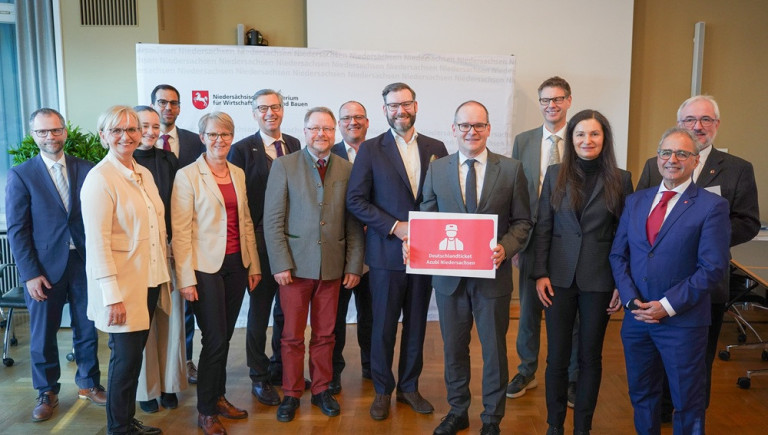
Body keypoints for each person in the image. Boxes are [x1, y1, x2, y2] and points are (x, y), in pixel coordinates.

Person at [635, 95, 760, 419]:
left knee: (696, 362)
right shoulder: (654, 164)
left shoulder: (737, 170)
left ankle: (689, 415)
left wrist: (703, 238)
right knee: (655, 356)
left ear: (716, 125)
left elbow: (748, 222)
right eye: (690, 120)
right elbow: (642, 216)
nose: (697, 126)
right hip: (657, 282)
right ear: (679, 124)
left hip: (706, 283)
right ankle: (663, 412)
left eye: (705, 120)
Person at [415, 100, 532, 435]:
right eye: (464, 125)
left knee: (494, 350)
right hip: (450, 280)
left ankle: (492, 417)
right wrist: (416, 242)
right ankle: (458, 410)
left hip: (492, 278)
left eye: (478, 125)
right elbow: (428, 216)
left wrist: (505, 248)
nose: (471, 131)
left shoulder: (511, 170)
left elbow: (524, 221)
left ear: (488, 129)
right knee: (453, 348)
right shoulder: (438, 169)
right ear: (454, 129)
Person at [609, 127, 731, 434]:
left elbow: (712, 268)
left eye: (682, 154)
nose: (672, 159)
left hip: (682, 323)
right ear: (657, 157)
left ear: (694, 162)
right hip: (637, 321)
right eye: (665, 152)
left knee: (687, 401)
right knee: (642, 395)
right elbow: (618, 256)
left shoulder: (711, 206)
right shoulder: (636, 201)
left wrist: (666, 305)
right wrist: (628, 298)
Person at [347, 82, 448, 420]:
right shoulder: (371, 149)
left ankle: (408, 388)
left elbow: (445, 200)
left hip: (425, 254)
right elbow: (355, 200)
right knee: (383, 327)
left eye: (405, 104)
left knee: (417, 325)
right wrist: (395, 227)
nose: (400, 111)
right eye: (393, 106)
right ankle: (382, 390)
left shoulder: (437, 147)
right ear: (385, 110)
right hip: (387, 254)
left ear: (415, 105)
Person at [532, 110, 633, 435]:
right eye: (580, 134)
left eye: (594, 134)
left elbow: (624, 235)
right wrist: (540, 272)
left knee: (590, 357)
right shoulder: (554, 174)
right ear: (571, 138)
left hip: (599, 280)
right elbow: (544, 225)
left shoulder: (621, 178)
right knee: (556, 358)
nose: (587, 141)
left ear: (604, 139)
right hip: (557, 279)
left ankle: (583, 428)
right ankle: (554, 425)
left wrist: (622, 282)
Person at [264, 107, 365, 422]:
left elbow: (353, 223)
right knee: (291, 336)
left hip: (332, 268)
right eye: (314, 128)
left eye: (327, 129)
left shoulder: (347, 169)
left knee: (326, 335)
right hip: (293, 269)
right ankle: (292, 393)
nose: (321, 134)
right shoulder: (284, 165)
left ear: (334, 132)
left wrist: (354, 265)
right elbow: (273, 220)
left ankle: (322, 390)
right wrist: (280, 263)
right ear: (305, 132)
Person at [5, 108, 105, 422]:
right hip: (43, 269)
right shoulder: (22, 174)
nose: (50, 137)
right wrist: (30, 274)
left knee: (86, 327)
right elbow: (18, 230)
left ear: (64, 131)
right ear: (34, 135)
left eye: (55, 130)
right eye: (43, 132)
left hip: (83, 262)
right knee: (43, 333)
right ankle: (46, 391)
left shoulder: (87, 169)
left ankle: (89, 384)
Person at [81, 105, 171, 435]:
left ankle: (126, 420)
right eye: (116, 130)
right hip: (120, 289)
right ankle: (118, 428)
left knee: (133, 361)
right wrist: (112, 298)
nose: (126, 136)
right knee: (125, 361)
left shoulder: (142, 172)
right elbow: (98, 244)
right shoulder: (99, 179)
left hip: (146, 282)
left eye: (132, 129)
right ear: (103, 135)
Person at [172, 111, 261, 435]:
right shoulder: (187, 176)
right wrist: (185, 278)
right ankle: (206, 411)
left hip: (237, 265)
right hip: (204, 268)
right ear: (202, 138)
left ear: (231, 137)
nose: (219, 140)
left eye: (225, 134)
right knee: (214, 340)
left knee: (222, 337)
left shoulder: (237, 172)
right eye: (212, 135)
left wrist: (254, 264)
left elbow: (246, 221)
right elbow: (180, 233)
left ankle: (219, 396)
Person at [227, 89, 302, 406]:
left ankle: (279, 368)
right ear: (254, 113)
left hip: (293, 241)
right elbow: (238, 204)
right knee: (259, 312)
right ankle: (258, 375)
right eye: (262, 108)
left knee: (287, 310)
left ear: (283, 110)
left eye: (275, 107)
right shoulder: (242, 150)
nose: (270, 113)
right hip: (258, 242)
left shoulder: (295, 145)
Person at [509, 76, 580, 404]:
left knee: (570, 310)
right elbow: (516, 193)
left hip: (570, 238)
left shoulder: (583, 138)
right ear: (539, 104)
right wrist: (514, 241)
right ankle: (527, 369)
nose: (551, 105)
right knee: (527, 309)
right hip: (531, 237)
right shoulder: (523, 141)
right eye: (545, 100)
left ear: (568, 101)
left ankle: (570, 375)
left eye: (558, 99)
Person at [132, 106, 187, 413]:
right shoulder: (122, 164)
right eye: (144, 126)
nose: (151, 132)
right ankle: (146, 389)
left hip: (168, 251)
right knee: (144, 324)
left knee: (172, 320)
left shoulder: (169, 159)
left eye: (155, 126)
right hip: (138, 257)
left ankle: (169, 385)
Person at [150, 84, 206, 384]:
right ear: (153, 105)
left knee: (186, 304)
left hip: (189, 234)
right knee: (159, 307)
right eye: (162, 102)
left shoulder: (193, 142)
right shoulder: (142, 142)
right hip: (153, 237)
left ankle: (185, 362)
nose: (168, 108)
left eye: (173, 103)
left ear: (180, 107)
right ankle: (160, 367)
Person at [329, 100, 373, 394]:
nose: (353, 122)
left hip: (375, 251)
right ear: (339, 124)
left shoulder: (380, 153)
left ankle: (372, 366)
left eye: (358, 117)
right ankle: (333, 372)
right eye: (346, 118)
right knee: (334, 318)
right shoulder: (326, 154)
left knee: (372, 315)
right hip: (337, 253)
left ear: (367, 122)